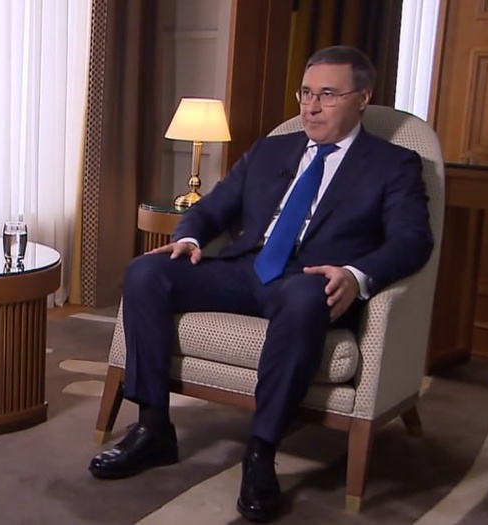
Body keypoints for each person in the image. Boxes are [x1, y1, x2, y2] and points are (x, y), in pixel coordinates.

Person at [87, 46, 433, 522]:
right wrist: (188, 238)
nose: (311, 107)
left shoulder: (393, 164)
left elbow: (413, 240)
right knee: (145, 271)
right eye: (305, 93)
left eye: (327, 95)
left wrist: (356, 276)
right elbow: (213, 208)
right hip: (244, 268)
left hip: (310, 281)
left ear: (362, 98)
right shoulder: (271, 150)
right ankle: (152, 427)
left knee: (306, 296)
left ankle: (261, 452)